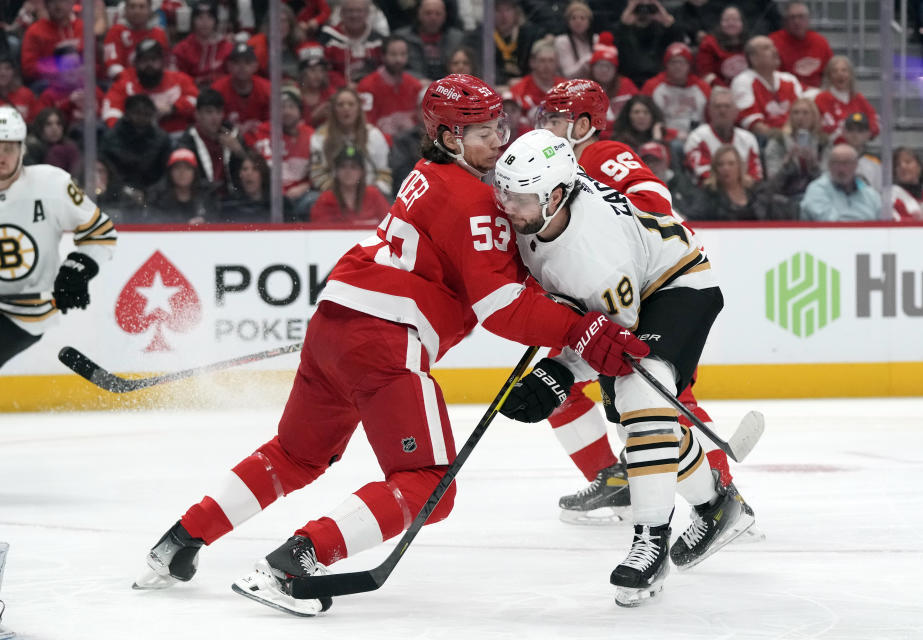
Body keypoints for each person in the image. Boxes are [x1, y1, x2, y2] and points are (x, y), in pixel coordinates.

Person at [132, 74, 649, 617]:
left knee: (296, 455)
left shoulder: (427, 174)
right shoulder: (475, 199)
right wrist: (579, 329)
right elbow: (500, 307)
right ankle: (295, 561)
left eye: (500, 126)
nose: (500, 140)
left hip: (334, 324)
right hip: (385, 340)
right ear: (450, 138)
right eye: (484, 131)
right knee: (429, 485)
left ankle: (179, 542)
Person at [495, 129, 747, 607]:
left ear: (554, 196)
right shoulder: (543, 207)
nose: (509, 207)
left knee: (640, 394)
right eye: (505, 192)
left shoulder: (593, 257)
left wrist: (562, 373)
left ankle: (649, 541)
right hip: (631, 280)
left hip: (677, 284)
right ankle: (717, 505)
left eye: (521, 198)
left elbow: (616, 343)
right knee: (647, 418)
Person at [534, 80, 756, 533]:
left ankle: (723, 494)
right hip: (610, 292)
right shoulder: (559, 171)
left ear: (581, 125)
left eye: (556, 120)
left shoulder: (599, 155)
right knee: (561, 385)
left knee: (665, 396)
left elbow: (655, 202)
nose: (546, 128)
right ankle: (615, 481)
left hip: (653, 288)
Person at [0, 106, 117, 369]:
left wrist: (78, 269)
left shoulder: (51, 184)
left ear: (22, 150)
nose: (1, 156)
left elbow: (101, 233)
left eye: (8, 148)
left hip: (24, 313)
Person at [102, 38, 199, 135]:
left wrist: (173, 107)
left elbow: (196, 101)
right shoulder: (125, 83)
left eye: (154, 59)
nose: (149, 65)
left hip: (175, 137)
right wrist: (123, 129)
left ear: (162, 62)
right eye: (144, 60)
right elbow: (111, 110)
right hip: (135, 139)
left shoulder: (180, 80)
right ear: (136, 63)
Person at [309, 87, 391, 197]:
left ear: (358, 109)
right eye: (340, 105)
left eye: (351, 104)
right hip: (334, 196)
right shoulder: (320, 138)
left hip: (371, 195)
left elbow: (384, 173)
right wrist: (342, 195)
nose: (346, 108)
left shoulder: (374, 135)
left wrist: (370, 195)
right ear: (333, 110)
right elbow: (318, 174)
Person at [250, 88, 317, 219]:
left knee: (315, 200)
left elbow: (318, 171)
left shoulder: (310, 135)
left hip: (301, 197)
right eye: (281, 107)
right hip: (269, 197)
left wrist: (305, 187)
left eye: (291, 107)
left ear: (300, 111)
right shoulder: (261, 132)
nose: (286, 112)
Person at [684, 87, 762, 186]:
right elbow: (703, 175)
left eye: (727, 106)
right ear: (709, 111)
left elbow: (755, 176)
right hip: (710, 195)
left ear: (736, 112)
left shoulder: (748, 138)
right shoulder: (697, 137)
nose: (722, 111)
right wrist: (737, 179)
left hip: (745, 193)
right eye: (718, 106)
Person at [763, 96, 828, 214]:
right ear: (790, 117)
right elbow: (772, 185)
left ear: (814, 117)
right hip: (784, 198)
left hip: (816, 197)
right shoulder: (778, 141)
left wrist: (813, 165)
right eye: (796, 113)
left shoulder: (823, 142)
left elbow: (828, 182)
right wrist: (787, 164)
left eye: (805, 113)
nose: (800, 117)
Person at [176, 88, 244, 198]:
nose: (214, 118)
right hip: (201, 202)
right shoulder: (187, 142)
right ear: (197, 115)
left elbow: (255, 168)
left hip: (234, 201)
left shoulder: (233, 136)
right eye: (209, 112)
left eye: (218, 112)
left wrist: (239, 150)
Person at [730, 35, 803, 137]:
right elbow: (754, 125)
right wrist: (782, 139)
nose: (775, 51)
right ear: (753, 58)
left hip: (792, 137)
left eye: (773, 46)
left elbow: (804, 114)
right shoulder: (743, 81)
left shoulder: (790, 80)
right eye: (766, 48)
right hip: (762, 141)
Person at [100, 94, 172, 197]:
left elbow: (166, 172)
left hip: (152, 194)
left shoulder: (162, 139)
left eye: (146, 114)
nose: (141, 118)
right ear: (127, 113)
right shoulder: (111, 138)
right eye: (137, 113)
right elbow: (105, 170)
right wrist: (125, 190)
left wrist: (150, 192)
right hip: (116, 193)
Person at [355, 35, 424, 139]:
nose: (398, 59)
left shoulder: (415, 85)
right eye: (393, 54)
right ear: (383, 56)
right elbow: (365, 123)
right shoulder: (366, 86)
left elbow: (422, 122)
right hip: (379, 142)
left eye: (403, 54)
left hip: (411, 145)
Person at [640, 41, 711, 141]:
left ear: (689, 65)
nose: (678, 66)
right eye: (673, 62)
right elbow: (643, 116)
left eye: (682, 62)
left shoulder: (702, 87)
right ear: (666, 65)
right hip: (664, 137)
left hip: (698, 136)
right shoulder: (652, 86)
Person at [687, 144, 775, 221]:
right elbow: (694, 219)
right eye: (720, 164)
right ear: (715, 169)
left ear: (739, 166)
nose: (726, 168)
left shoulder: (755, 191)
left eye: (731, 164)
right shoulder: (708, 193)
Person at [310, 144, 389, 225]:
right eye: (343, 166)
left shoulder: (373, 195)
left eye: (353, 167)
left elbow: (389, 225)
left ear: (362, 172)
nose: (348, 171)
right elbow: (319, 232)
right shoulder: (326, 199)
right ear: (336, 172)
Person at [799, 143, 881, 222]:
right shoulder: (817, 189)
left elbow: (883, 221)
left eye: (846, 163)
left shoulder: (869, 193)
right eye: (836, 163)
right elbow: (828, 221)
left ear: (856, 165)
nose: (841, 169)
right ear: (829, 165)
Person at [613, 0, 685, 89]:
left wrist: (667, 21)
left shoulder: (662, 31)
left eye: (649, 6)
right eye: (639, 5)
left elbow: (679, 44)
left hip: (658, 81)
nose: (644, 10)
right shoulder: (624, 31)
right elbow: (614, 43)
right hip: (628, 80)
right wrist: (623, 24)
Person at [211, 43, 271, 141]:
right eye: (236, 62)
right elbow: (211, 122)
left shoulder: (267, 88)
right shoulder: (217, 89)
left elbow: (275, 122)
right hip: (226, 140)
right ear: (229, 66)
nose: (242, 66)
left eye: (247, 62)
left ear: (255, 66)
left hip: (261, 139)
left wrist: (259, 126)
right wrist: (233, 128)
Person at [395, 0, 466, 81]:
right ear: (419, 14)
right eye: (428, 13)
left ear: (445, 16)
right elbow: (396, 68)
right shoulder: (402, 38)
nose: (433, 18)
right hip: (414, 86)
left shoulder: (458, 39)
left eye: (438, 14)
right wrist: (418, 80)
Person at [815, 55, 879, 143]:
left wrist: (866, 134)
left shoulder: (858, 98)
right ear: (829, 76)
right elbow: (825, 128)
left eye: (844, 70)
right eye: (835, 71)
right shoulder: (822, 98)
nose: (840, 74)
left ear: (850, 75)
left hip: (859, 146)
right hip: (833, 148)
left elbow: (873, 120)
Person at [19, 0, 84, 87]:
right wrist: (59, 69)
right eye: (52, 2)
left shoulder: (82, 27)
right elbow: (28, 68)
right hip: (49, 84)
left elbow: (94, 61)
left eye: (62, 1)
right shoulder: (35, 31)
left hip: (81, 80)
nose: (57, 6)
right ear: (46, 5)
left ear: (71, 3)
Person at [769, 1, 832, 90]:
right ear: (785, 21)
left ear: (808, 19)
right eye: (792, 17)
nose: (796, 21)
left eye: (801, 17)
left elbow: (830, 74)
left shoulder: (820, 42)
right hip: (786, 94)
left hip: (816, 94)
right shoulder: (773, 42)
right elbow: (772, 77)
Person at [145, 148, 218, 225]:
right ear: (170, 172)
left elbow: (216, 218)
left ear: (195, 173)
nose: (182, 173)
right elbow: (152, 221)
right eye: (177, 168)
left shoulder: (208, 193)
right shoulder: (156, 196)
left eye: (187, 168)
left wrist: (204, 220)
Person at [318, 0, 385, 84]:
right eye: (350, 11)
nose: (354, 15)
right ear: (341, 13)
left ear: (367, 13)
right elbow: (323, 70)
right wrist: (344, 85)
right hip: (338, 91)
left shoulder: (378, 41)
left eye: (359, 11)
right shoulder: (328, 38)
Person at [103, 0, 168, 80]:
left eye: (142, 7)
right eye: (132, 7)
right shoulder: (115, 31)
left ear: (150, 10)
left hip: (155, 82)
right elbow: (112, 67)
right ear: (125, 9)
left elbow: (165, 65)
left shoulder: (159, 33)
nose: (137, 11)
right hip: (123, 83)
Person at [172, 0, 232, 87]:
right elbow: (178, 78)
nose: (205, 22)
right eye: (200, 17)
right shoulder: (182, 49)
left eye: (209, 17)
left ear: (215, 21)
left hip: (221, 93)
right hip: (192, 92)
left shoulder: (226, 47)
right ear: (193, 21)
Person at [587, 32, 641, 126]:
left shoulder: (626, 85)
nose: (604, 70)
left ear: (615, 70)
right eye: (600, 65)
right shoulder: (583, 88)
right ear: (592, 68)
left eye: (609, 66)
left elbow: (640, 108)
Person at [507, 36, 564, 121]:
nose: (547, 66)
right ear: (532, 62)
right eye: (542, 60)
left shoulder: (565, 87)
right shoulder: (519, 89)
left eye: (551, 61)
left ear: (557, 63)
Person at [638, 140, 700, 216]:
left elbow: (696, 209)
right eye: (647, 161)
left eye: (655, 161)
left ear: (665, 162)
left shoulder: (681, 182)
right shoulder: (632, 185)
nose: (651, 165)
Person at [695, 6, 748, 88]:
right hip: (720, 92)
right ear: (720, 23)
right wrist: (725, 90)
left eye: (735, 20)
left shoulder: (750, 44)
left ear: (742, 23)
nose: (731, 23)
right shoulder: (709, 44)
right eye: (726, 20)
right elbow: (706, 75)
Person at [23, 107, 79, 176]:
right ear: (40, 127)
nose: (54, 128)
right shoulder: (31, 148)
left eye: (58, 124)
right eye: (48, 124)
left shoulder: (69, 147)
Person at [219, 153, 272, 223]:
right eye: (245, 169)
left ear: (263, 174)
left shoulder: (277, 204)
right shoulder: (228, 206)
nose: (249, 173)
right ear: (239, 175)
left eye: (255, 169)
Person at [610, 94, 674, 151]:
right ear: (628, 116)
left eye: (646, 112)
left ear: (653, 116)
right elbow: (647, 159)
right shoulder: (620, 140)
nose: (641, 117)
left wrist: (657, 136)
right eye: (636, 112)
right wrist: (656, 140)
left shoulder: (662, 136)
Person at [554, 1, 597, 79]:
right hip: (570, 85)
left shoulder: (596, 39)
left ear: (589, 22)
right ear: (568, 22)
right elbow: (568, 74)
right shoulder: (562, 41)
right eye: (573, 18)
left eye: (582, 18)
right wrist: (588, 60)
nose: (578, 21)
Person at [840, 112, 881, 189]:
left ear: (868, 134)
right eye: (851, 130)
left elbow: (879, 192)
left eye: (860, 130)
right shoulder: (836, 159)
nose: (855, 134)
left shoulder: (875, 162)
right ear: (844, 132)